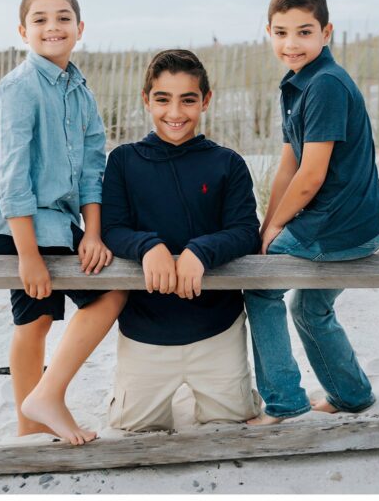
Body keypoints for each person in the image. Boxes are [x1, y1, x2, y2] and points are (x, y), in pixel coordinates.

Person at [0, 0, 126, 445]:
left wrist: (93, 232)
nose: (52, 27)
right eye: (40, 19)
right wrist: (27, 255)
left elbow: (91, 167)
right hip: (19, 224)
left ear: (80, 27)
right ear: (22, 31)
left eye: (63, 18)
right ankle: (30, 423)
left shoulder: (81, 92)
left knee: (110, 293)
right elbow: (12, 175)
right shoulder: (19, 87)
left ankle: (44, 397)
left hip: (64, 227)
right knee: (34, 319)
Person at [245, 0, 379, 425]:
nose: (292, 43)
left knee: (259, 287)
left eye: (305, 32)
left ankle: (285, 403)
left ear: (327, 33)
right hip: (358, 220)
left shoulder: (325, 84)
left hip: (338, 226)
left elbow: (310, 177)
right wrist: (266, 228)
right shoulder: (296, 84)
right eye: (282, 32)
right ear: (268, 31)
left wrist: (275, 236)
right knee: (309, 306)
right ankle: (351, 395)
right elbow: (287, 167)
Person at [101, 49, 262, 432]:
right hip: (146, 333)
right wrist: (148, 246)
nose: (175, 112)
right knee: (134, 429)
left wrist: (200, 250)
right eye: (163, 99)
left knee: (232, 422)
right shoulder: (123, 161)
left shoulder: (227, 163)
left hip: (217, 329)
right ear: (146, 100)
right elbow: (113, 228)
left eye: (188, 100)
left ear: (205, 101)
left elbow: (244, 230)